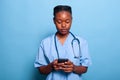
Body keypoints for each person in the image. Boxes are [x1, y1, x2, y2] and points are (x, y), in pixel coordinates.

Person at [34, 5, 92, 80]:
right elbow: (41, 70)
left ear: (71, 20)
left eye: (67, 21)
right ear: (54, 21)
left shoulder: (81, 42)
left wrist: (74, 68)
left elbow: (84, 68)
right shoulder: (45, 43)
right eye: (59, 22)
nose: (63, 25)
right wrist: (51, 66)